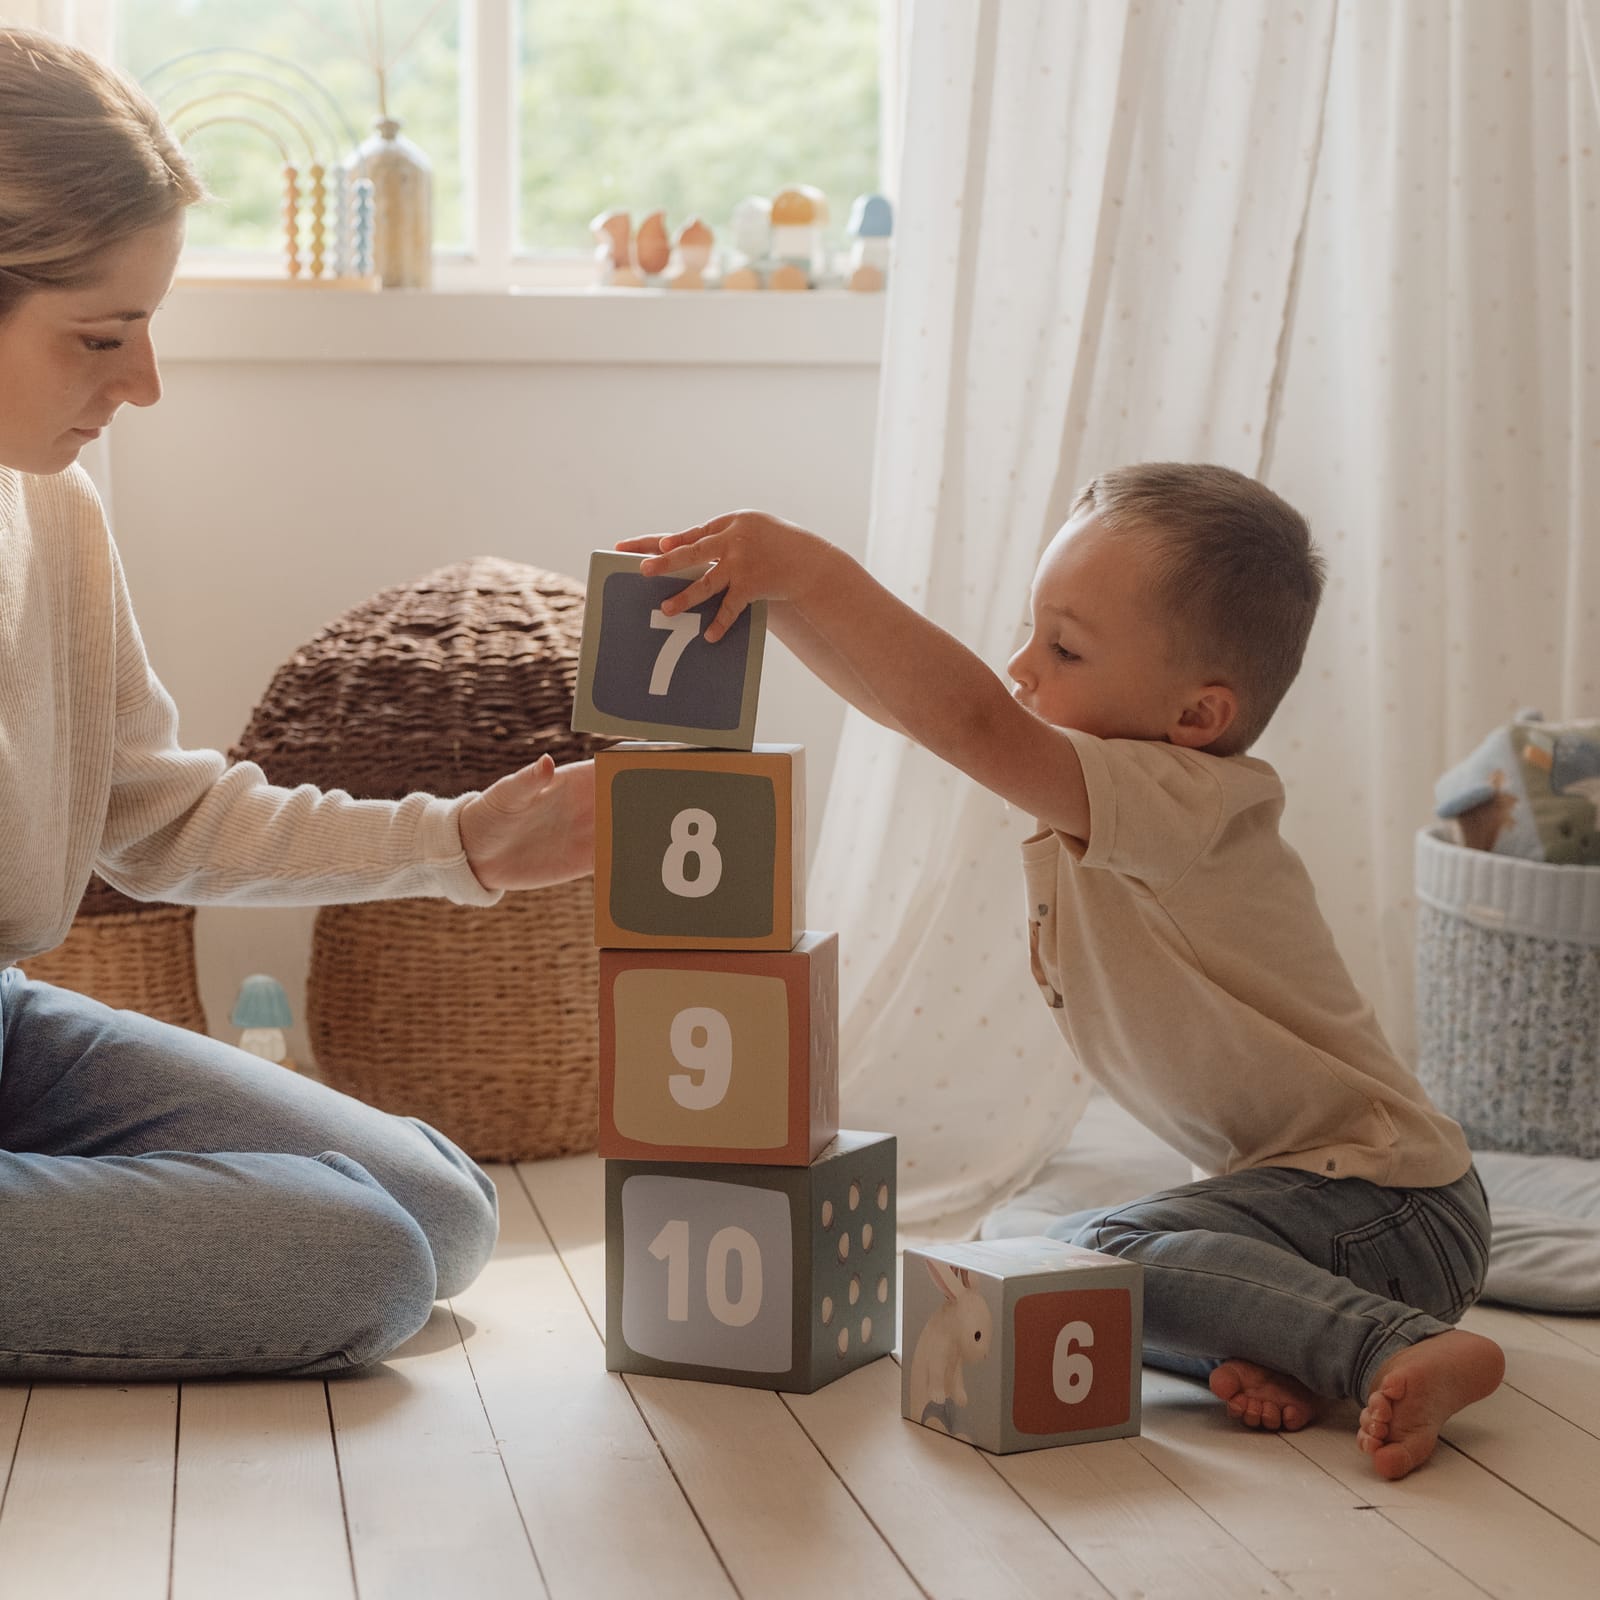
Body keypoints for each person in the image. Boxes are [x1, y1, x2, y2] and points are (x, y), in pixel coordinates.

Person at [618, 462, 1506, 1481]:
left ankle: (1393, 1345)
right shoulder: (1120, 788)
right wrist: (769, 599)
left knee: (1089, 1251)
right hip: (1310, 1211)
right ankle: (1279, 1343)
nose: (1022, 666)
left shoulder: (1175, 800)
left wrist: (815, 571)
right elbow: (913, 712)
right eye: (1033, 630)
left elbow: (968, 722)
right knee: (1010, 1251)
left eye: (1065, 646)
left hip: (1393, 1209)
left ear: (1195, 717)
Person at [0, 27, 593, 1380]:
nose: (142, 383)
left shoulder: (52, 510)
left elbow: (154, 816)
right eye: (101, 335)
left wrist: (463, 844)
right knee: (361, 1261)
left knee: (439, 1208)